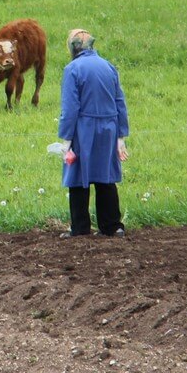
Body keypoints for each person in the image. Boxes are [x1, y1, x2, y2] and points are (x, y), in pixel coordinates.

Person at [57, 29, 129, 238]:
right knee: (106, 176)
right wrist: (121, 136)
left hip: (84, 129)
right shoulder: (109, 67)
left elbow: (70, 109)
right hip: (109, 127)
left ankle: (80, 229)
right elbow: (120, 103)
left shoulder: (72, 69)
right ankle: (112, 226)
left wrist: (66, 139)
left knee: (78, 177)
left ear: (73, 48)